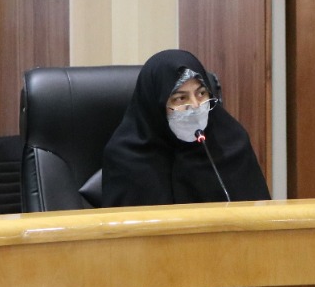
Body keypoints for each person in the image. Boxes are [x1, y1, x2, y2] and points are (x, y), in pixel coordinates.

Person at [89, 49, 271, 206]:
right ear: (156, 106)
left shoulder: (231, 144)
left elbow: (261, 219)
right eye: (181, 98)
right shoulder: (126, 158)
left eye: (201, 93)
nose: (195, 106)